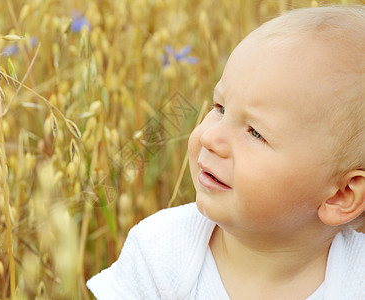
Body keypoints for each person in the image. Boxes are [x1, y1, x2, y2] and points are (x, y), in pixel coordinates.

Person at [87, 5, 365, 299]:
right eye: (219, 108)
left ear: (341, 194)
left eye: (256, 133)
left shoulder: (355, 283)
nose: (210, 137)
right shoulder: (162, 252)